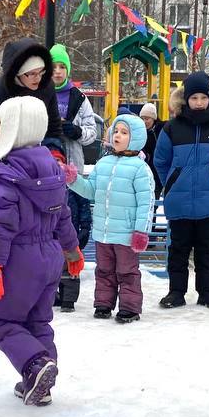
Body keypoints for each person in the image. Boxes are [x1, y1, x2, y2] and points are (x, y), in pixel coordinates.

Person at [0, 95, 82, 406]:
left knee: (0, 321)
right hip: (50, 257)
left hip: (18, 259)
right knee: (38, 321)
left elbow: (0, 225)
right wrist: (72, 250)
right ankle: (40, 382)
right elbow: (63, 213)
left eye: (1, 125)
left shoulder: (6, 173)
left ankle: (35, 365)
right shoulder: (52, 167)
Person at [154, 72, 209, 310]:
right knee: (178, 249)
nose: (198, 102)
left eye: (203, 97)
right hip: (179, 201)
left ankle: (207, 292)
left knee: (205, 250)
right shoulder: (172, 128)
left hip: (208, 201)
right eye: (194, 98)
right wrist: (171, 182)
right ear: (185, 100)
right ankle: (176, 292)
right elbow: (161, 160)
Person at [0, 39, 62, 239]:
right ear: (17, 73)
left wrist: (56, 156)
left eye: (42, 72)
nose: (38, 78)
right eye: (32, 74)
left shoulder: (46, 87)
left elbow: (53, 128)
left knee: (32, 224)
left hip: (35, 164)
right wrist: (2, 170)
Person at [68, 112, 154, 323]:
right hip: (103, 233)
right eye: (116, 130)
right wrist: (73, 180)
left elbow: (146, 203)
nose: (117, 135)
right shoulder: (103, 164)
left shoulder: (140, 169)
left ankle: (129, 308)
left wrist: (141, 231)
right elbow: (90, 190)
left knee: (127, 272)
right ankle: (103, 304)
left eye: (124, 132)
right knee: (104, 270)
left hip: (126, 234)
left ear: (135, 138)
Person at [51, 44, 98, 312]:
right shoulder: (39, 93)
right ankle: (48, 289)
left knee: (71, 229)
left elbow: (92, 131)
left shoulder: (79, 97)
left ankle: (68, 291)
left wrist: (76, 131)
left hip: (72, 170)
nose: (58, 72)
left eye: (62, 67)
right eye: (54, 67)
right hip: (44, 168)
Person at [139, 102, 163, 195]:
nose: (144, 121)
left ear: (154, 118)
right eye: (142, 118)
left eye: (147, 118)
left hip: (159, 169)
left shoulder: (162, 129)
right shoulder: (140, 132)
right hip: (146, 170)